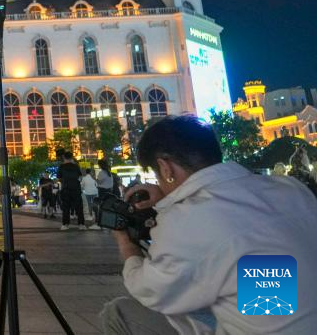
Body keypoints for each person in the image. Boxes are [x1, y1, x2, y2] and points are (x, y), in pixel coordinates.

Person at [100, 115, 317, 334]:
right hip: (285, 312)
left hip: (268, 313)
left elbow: (149, 291)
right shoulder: (290, 189)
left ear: (166, 168)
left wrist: (126, 244)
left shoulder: (188, 220)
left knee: (119, 312)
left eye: (157, 175)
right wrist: (167, 200)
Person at [58, 151, 86, 230]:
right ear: (72, 157)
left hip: (66, 188)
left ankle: (65, 224)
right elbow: (80, 177)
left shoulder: (61, 166)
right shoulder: (76, 166)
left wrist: (64, 181)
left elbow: (59, 178)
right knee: (79, 207)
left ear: (64, 157)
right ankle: (81, 224)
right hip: (76, 188)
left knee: (66, 207)